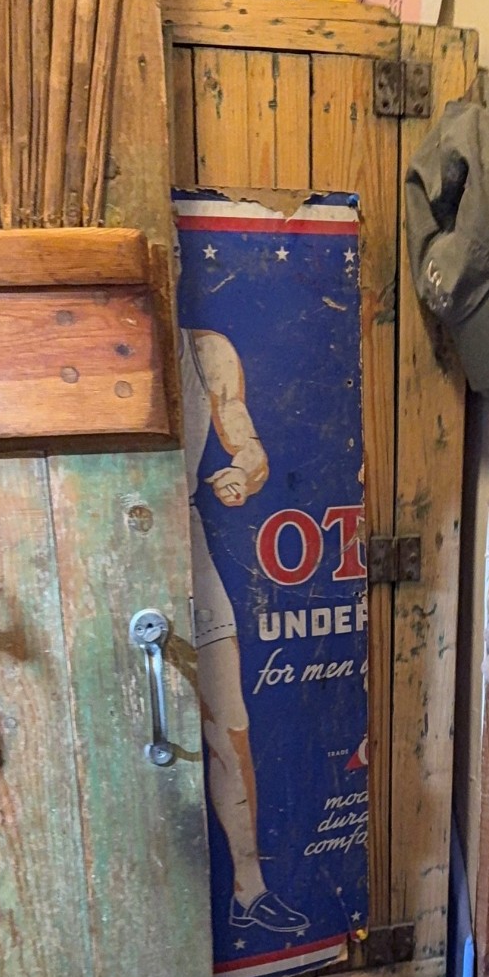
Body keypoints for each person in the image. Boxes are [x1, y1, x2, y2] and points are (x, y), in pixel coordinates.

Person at [180, 328, 310, 937]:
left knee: (229, 725)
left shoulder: (206, 351)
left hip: (185, 540)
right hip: (101, 539)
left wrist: (242, 473)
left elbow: (252, 451)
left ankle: (248, 891)